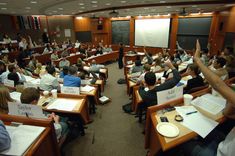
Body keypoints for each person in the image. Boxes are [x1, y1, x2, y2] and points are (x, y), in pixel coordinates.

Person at [180, 39, 235, 156]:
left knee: (181, 141)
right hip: (226, 142)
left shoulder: (220, 72)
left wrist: (198, 59)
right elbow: (227, 113)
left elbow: (217, 84)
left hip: (221, 153)